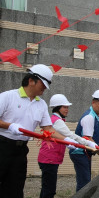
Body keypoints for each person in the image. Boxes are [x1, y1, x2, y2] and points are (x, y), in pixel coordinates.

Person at [0, 64, 76, 198]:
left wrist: (66, 140)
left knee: (15, 189)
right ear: (31, 81)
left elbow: (48, 128)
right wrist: (9, 126)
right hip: (3, 146)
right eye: (43, 84)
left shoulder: (41, 104)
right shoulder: (8, 97)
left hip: (21, 151)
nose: (45, 88)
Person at [38, 94, 98, 198]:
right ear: (57, 108)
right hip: (49, 159)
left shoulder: (54, 119)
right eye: (64, 107)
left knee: (47, 189)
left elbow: (64, 137)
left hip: (49, 158)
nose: (67, 110)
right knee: (49, 191)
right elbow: (71, 135)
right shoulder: (57, 121)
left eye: (67, 107)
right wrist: (88, 142)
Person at [69, 90, 99, 192]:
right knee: (84, 183)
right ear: (93, 102)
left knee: (86, 180)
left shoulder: (98, 116)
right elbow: (88, 139)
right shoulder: (89, 117)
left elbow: (94, 135)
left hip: (86, 152)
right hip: (79, 152)